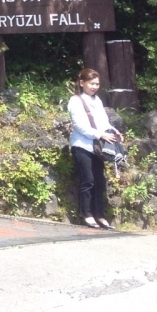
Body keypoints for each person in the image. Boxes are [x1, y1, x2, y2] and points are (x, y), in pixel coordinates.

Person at [68, 68, 122, 229]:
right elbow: (79, 126)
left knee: (100, 181)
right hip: (82, 145)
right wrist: (100, 134)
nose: (94, 87)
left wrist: (115, 132)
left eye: (97, 84)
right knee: (88, 180)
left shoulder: (97, 100)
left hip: (97, 147)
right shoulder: (75, 101)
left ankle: (100, 215)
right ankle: (86, 214)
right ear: (82, 83)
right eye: (91, 83)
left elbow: (104, 121)